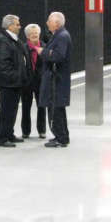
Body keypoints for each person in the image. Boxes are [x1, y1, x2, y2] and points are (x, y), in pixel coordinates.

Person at [0, 14, 29, 147]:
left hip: (15, 83)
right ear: (9, 26)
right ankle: (1, 138)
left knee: (12, 111)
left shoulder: (13, 40)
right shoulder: (3, 40)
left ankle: (9, 134)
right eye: (17, 24)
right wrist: (15, 77)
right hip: (9, 83)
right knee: (6, 111)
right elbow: (3, 64)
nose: (20, 26)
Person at [38, 11, 71, 148]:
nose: (47, 23)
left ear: (56, 23)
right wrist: (49, 52)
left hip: (56, 79)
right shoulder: (59, 35)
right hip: (56, 78)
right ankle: (61, 136)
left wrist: (43, 52)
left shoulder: (61, 36)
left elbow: (58, 56)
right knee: (58, 109)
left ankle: (61, 138)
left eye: (49, 21)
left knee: (56, 109)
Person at [21, 23, 47, 139]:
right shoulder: (22, 48)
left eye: (36, 33)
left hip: (41, 82)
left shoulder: (45, 47)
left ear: (39, 34)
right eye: (31, 33)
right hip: (26, 83)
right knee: (26, 107)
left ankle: (42, 130)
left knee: (41, 107)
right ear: (27, 36)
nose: (34, 35)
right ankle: (25, 131)